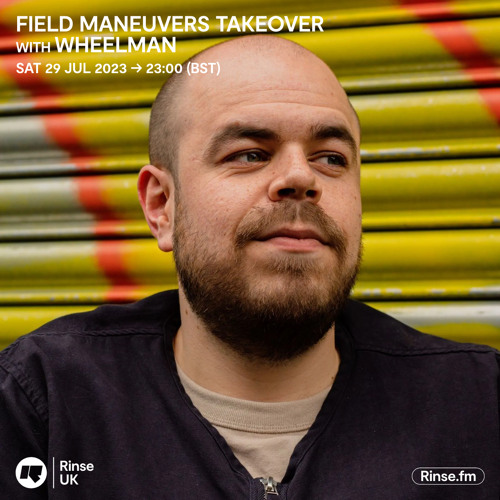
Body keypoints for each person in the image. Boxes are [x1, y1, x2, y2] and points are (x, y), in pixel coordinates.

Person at [0, 35, 498, 499]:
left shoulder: (477, 406)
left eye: (331, 158)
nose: (301, 177)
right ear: (162, 207)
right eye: (250, 154)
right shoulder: (42, 403)